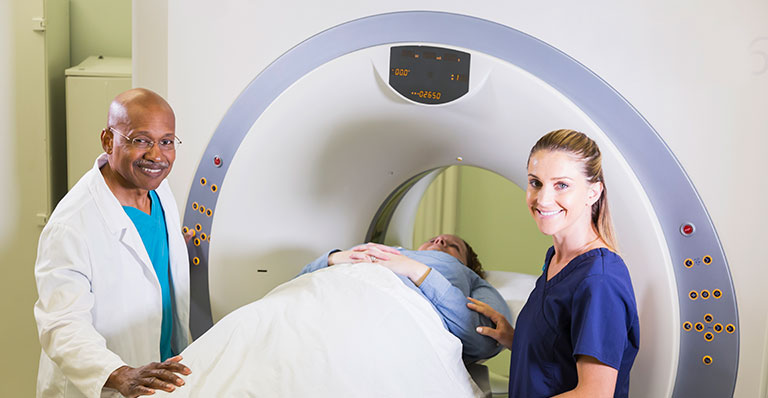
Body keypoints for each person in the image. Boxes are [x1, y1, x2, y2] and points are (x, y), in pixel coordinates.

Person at [34, 88, 193, 398]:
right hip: (106, 385)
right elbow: (61, 325)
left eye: (166, 142)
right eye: (141, 140)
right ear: (108, 140)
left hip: (156, 373)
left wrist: (178, 244)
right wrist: (118, 374)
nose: (156, 155)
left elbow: (145, 260)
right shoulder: (71, 226)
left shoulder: (158, 189)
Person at [467, 129, 640, 397]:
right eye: (536, 183)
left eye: (562, 185)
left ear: (593, 193)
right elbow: (559, 354)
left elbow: (594, 393)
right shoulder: (557, 260)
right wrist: (513, 337)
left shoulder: (599, 280)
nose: (543, 199)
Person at [298, 234, 512, 362]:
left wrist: (416, 270)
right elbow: (298, 280)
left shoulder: (470, 277)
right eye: (433, 239)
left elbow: (485, 342)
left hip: (379, 313)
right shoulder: (387, 249)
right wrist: (337, 257)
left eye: (452, 246)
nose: (439, 239)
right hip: (321, 295)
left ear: (467, 266)